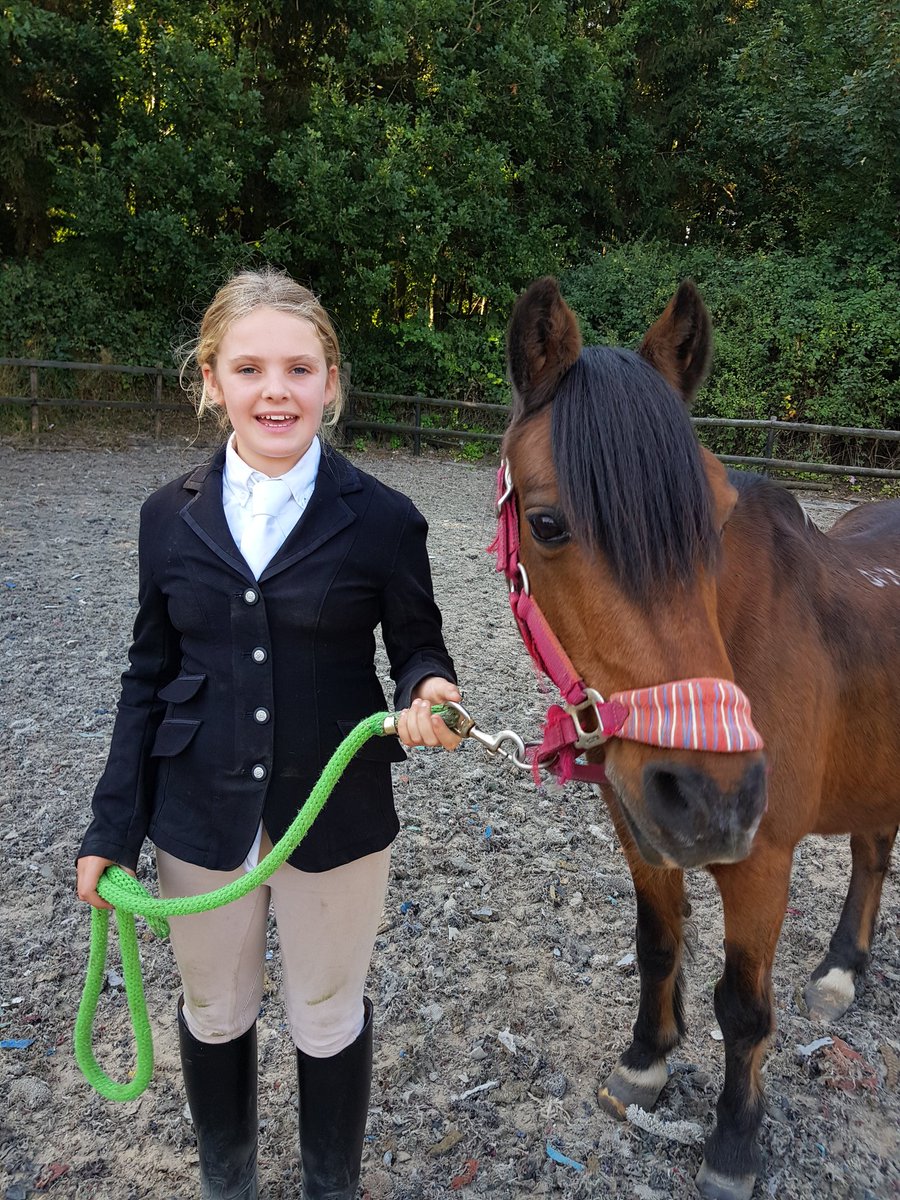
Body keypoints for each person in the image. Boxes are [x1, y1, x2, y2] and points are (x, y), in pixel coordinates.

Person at [75, 267, 462, 1200]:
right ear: (212, 380)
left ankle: (330, 1186)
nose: (276, 391)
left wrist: (432, 688)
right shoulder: (168, 517)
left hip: (335, 810)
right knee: (214, 1010)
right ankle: (229, 1181)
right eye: (250, 369)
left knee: (326, 1013)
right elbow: (147, 674)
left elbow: (418, 646)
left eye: (299, 367)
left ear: (331, 379)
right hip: (199, 808)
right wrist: (109, 829)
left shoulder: (383, 520)